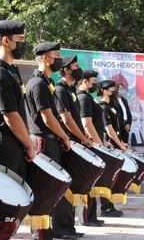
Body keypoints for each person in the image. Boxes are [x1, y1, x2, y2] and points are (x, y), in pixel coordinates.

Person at [25, 41, 71, 240]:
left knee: (52, 188)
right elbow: (47, 118)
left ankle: (46, 231)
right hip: (43, 140)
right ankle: (40, 234)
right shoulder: (37, 83)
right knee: (44, 188)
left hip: (51, 140)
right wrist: (64, 136)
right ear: (45, 58)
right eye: (56, 55)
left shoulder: (47, 82)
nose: (59, 59)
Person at [0, 19, 36, 178]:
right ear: (5, 40)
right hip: (2, 145)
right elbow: (11, 116)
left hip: (12, 143)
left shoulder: (9, 71)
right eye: (20, 40)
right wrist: (29, 145)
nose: (24, 44)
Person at [54, 55, 93, 239]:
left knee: (71, 186)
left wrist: (83, 137)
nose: (78, 69)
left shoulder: (70, 90)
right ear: (67, 69)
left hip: (75, 142)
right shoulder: (60, 89)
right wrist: (82, 138)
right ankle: (61, 228)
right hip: (66, 144)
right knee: (64, 189)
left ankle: (69, 226)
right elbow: (66, 120)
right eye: (76, 66)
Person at [77, 70, 106, 226]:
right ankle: (87, 218)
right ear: (84, 82)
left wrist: (102, 141)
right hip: (90, 145)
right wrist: (98, 143)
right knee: (89, 182)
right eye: (92, 81)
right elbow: (86, 123)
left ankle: (92, 216)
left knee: (93, 182)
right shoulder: (83, 98)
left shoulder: (89, 98)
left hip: (95, 143)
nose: (95, 84)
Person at [97, 79, 127, 217]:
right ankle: (105, 206)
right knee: (108, 177)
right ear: (104, 90)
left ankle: (110, 204)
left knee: (113, 177)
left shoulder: (112, 105)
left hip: (116, 143)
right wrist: (119, 144)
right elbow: (109, 129)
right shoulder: (103, 107)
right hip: (110, 145)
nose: (114, 91)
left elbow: (116, 127)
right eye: (111, 89)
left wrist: (121, 142)